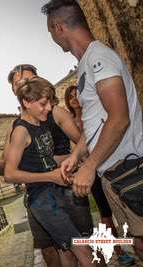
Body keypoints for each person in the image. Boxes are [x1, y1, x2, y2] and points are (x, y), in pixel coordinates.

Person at [43, 0, 143, 259]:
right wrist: (77, 156)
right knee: (138, 244)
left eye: (50, 31)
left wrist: (88, 168)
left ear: (58, 28)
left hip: (130, 169)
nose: (52, 38)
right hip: (114, 174)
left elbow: (119, 118)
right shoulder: (87, 63)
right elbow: (97, 121)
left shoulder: (99, 57)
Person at [0, 64, 94, 267]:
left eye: (49, 103)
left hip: (62, 191)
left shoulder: (44, 119)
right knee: (74, 251)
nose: (48, 108)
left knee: (76, 250)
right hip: (42, 199)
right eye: (43, 103)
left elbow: (47, 157)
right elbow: (9, 172)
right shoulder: (20, 130)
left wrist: (73, 163)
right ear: (24, 99)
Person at [65, 85, 135, 266]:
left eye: (76, 94)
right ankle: (119, 251)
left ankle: (135, 245)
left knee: (126, 207)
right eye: (70, 96)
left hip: (108, 163)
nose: (74, 98)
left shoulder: (94, 113)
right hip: (89, 171)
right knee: (105, 214)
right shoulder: (69, 121)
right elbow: (74, 149)